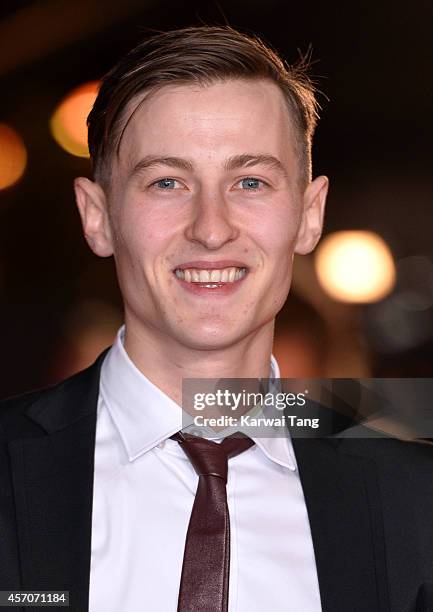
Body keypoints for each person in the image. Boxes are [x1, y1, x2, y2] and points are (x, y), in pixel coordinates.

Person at [0, 25, 432, 612]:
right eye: (167, 182)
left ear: (309, 214)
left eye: (250, 181)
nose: (210, 227)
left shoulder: (414, 500)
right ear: (97, 216)